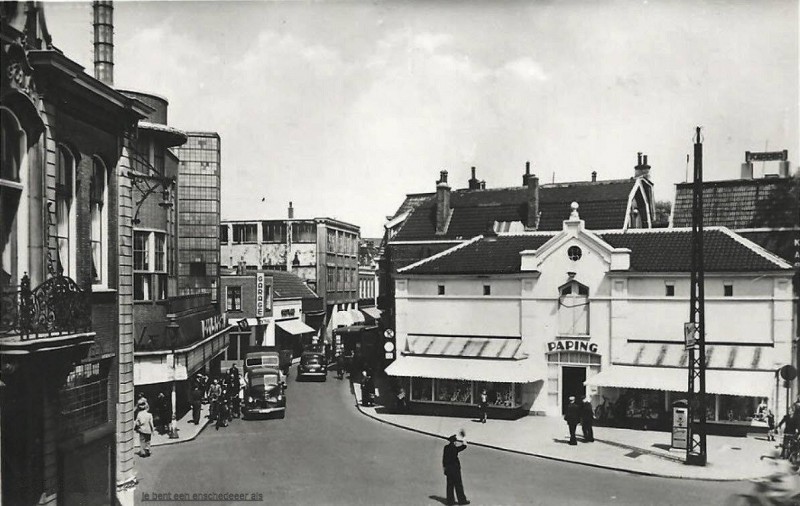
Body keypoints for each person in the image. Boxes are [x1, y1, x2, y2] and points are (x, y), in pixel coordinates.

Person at [442, 432, 470, 506]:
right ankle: (461, 500)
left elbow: (444, 459)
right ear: (454, 442)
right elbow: (464, 446)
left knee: (449, 485)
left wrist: (444, 468)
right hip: (455, 469)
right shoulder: (454, 448)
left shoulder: (446, 448)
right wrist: (464, 438)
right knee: (458, 485)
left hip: (448, 469)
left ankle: (450, 501)